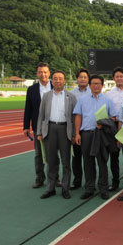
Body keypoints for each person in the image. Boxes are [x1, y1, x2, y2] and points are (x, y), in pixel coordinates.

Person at [74, 75, 117, 200]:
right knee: (88, 162)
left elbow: (113, 117)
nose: (96, 85)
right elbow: (78, 116)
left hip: (102, 135)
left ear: (102, 85)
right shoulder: (82, 100)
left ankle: (103, 188)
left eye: (98, 83)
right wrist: (77, 133)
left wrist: (103, 122)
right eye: (93, 83)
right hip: (87, 134)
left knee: (102, 161)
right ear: (89, 85)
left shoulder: (108, 100)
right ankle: (89, 188)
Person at [37, 71, 77, 199]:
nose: (58, 81)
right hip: (50, 129)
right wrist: (39, 132)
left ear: (65, 81)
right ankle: (50, 188)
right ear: (51, 81)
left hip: (65, 130)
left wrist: (74, 134)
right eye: (55, 79)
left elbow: (74, 117)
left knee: (66, 162)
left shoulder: (71, 97)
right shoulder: (46, 96)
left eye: (60, 79)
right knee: (51, 161)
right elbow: (41, 115)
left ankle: (65, 188)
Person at [23, 62, 53, 188]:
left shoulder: (56, 86)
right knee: (38, 154)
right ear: (37, 73)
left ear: (49, 73)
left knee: (52, 154)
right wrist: (26, 126)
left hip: (53, 125)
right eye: (40, 72)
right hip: (38, 126)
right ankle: (40, 178)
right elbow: (28, 109)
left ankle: (54, 178)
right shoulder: (32, 89)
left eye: (45, 72)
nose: (43, 74)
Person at [105, 67, 123, 191]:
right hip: (113, 127)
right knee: (114, 155)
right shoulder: (109, 94)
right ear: (113, 78)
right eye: (117, 76)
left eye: (121, 76)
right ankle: (115, 182)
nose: (119, 78)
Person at [69, 68, 91, 190]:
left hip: (88, 130)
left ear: (88, 79)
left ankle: (90, 182)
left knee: (89, 158)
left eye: (85, 77)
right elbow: (71, 114)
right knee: (76, 158)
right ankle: (77, 181)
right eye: (80, 77)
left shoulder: (93, 92)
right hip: (76, 130)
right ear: (77, 79)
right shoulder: (71, 94)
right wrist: (73, 133)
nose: (83, 79)